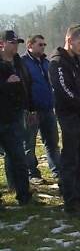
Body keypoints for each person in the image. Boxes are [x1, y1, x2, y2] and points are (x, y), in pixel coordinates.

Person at [49, 25, 80, 217]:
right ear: (69, 40)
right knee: (69, 159)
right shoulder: (58, 62)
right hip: (70, 116)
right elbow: (64, 91)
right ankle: (70, 202)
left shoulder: (76, 60)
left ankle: (77, 194)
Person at [0, 30, 34, 206]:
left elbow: (25, 85)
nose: (15, 46)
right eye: (12, 42)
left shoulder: (18, 62)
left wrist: (29, 107)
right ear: (2, 44)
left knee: (18, 157)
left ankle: (24, 195)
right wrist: (6, 85)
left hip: (14, 116)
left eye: (17, 43)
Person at [22, 34, 60, 183]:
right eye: (40, 44)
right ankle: (33, 174)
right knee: (29, 144)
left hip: (48, 108)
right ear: (30, 45)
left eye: (44, 44)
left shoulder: (46, 62)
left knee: (52, 142)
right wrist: (29, 107)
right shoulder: (23, 63)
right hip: (32, 109)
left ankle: (57, 171)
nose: (43, 47)